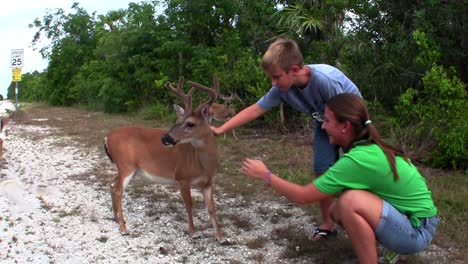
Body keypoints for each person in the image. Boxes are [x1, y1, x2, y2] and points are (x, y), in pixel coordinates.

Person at [241, 93, 439, 263]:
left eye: (327, 121)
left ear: (345, 126)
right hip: (416, 220)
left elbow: (303, 196)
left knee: (349, 202)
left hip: (418, 231)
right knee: (336, 210)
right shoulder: (366, 148)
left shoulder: (356, 160)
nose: (323, 126)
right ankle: (386, 250)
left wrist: (266, 175)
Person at [211, 38, 362, 239]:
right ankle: (327, 225)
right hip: (325, 121)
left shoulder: (325, 81)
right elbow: (255, 109)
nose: (273, 83)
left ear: (295, 70)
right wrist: (221, 129)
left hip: (351, 121)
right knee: (322, 170)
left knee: (360, 170)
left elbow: (347, 115)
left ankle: (372, 219)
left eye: (276, 77)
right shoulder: (282, 89)